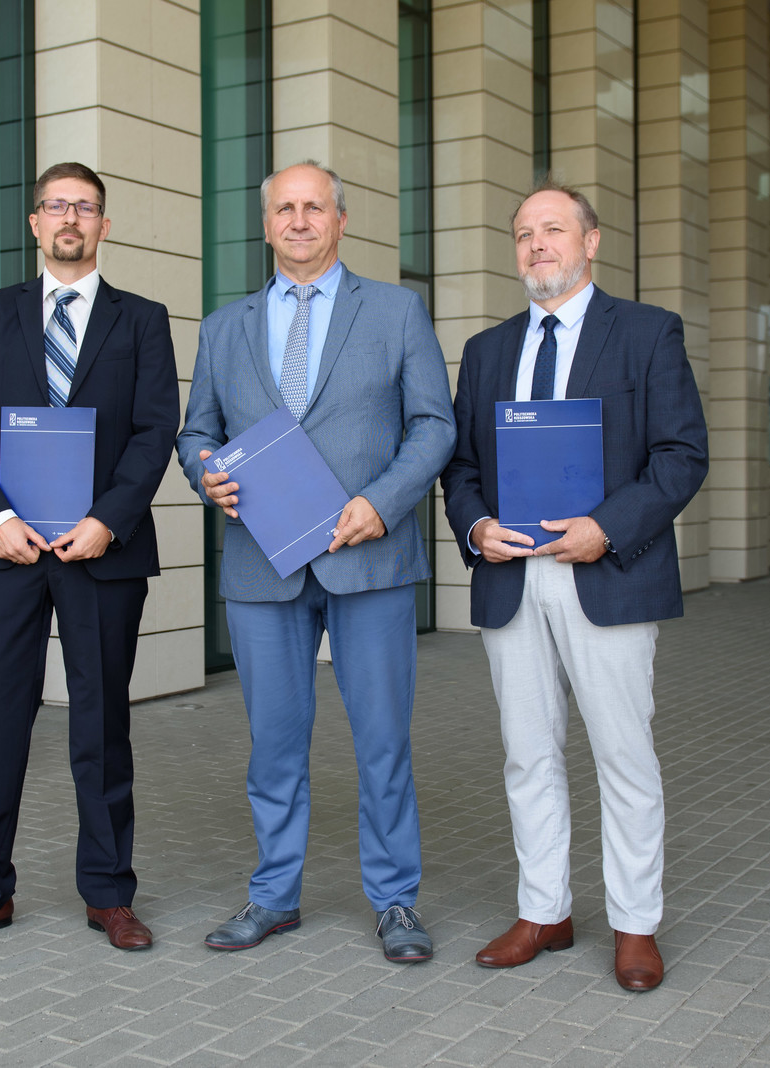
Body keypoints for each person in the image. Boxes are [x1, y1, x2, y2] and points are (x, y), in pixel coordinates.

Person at [177, 161, 454, 962]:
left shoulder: (397, 311)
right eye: (285, 209)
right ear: (266, 224)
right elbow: (197, 431)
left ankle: (396, 901)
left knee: (383, 744)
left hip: (369, 557)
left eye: (314, 207)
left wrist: (383, 502)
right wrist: (204, 473)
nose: (299, 221)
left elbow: (434, 425)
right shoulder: (224, 327)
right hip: (263, 562)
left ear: (341, 220)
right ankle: (273, 896)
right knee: (274, 745)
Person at [440, 180, 707, 990]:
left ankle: (635, 924)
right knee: (528, 756)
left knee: (624, 756)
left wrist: (607, 527)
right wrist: (476, 527)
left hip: (606, 572)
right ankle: (544, 911)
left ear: (591, 242)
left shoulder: (648, 333)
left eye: (553, 229)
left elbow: (681, 456)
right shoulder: (487, 350)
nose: (537, 245)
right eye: (524, 234)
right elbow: (461, 466)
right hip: (513, 577)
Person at [0, 162, 179, 951]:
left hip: (101, 551)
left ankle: (109, 894)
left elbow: (154, 430)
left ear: (104, 225)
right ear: (35, 222)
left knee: (101, 725)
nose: (70, 218)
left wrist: (108, 520)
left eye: (85, 207)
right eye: (57, 206)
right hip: (7, 550)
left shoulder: (142, 319)